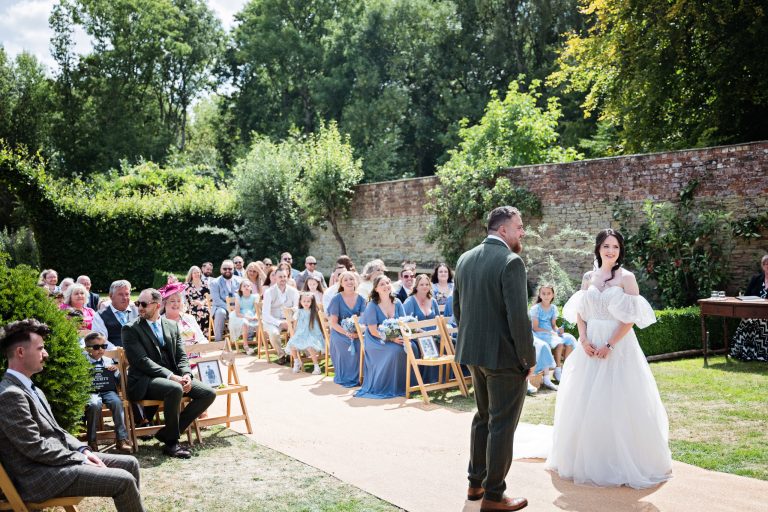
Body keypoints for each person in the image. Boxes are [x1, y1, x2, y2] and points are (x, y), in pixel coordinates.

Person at [545, 229, 672, 489]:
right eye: (606, 246)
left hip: (618, 346)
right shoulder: (588, 277)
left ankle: (618, 459)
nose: (610, 251)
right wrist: (582, 338)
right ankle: (586, 456)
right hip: (589, 344)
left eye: (615, 246)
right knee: (584, 399)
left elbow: (631, 318)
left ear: (620, 250)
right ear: (598, 248)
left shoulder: (627, 278)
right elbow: (581, 311)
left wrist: (610, 345)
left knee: (617, 400)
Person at [0, 319, 145, 511]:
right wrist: (81, 459)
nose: (46, 354)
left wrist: (83, 450)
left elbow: (57, 431)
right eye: (40, 348)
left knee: (130, 463)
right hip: (37, 478)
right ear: (20, 352)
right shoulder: (10, 394)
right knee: (123, 480)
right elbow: (34, 448)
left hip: (53, 465)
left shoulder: (30, 388)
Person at [453, 206, 535, 511]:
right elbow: (519, 319)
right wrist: (527, 359)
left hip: (474, 354)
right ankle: (494, 495)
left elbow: (458, 311)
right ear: (503, 230)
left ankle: (475, 486)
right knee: (501, 425)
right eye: (519, 226)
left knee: (483, 418)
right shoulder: (511, 262)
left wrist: (472, 346)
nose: (522, 232)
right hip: (503, 360)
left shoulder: (464, 259)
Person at [122, 289, 216, 459]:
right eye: (138, 304)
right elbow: (142, 361)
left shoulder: (172, 326)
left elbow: (181, 356)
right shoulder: (130, 329)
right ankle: (172, 443)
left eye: (143, 304)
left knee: (208, 393)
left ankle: (167, 432)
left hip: (174, 378)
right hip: (144, 380)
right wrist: (172, 377)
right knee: (174, 388)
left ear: (157, 305)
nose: (139, 308)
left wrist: (186, 374)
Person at [355, 275, 417, 399]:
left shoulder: (397, 302)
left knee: (413, 347)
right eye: (382, 284)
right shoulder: (372, 305)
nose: (386, 286)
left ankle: (408, 385)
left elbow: (404, 323)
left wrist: (402, 337)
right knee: (394, 351)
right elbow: (373, 331)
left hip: (396, 336)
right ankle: (390, 386)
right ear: (376, 289)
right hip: (376, 340)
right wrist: (392, 339)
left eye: (388, 282)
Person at [83, 332, 132, 454]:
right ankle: (92, 441)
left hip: (108, 391)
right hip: (91, 391)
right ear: (87, 348)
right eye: (96, 347)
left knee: (117, 402)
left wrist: (116, 372)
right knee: (94, 404)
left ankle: (121, 439)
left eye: (103, 346)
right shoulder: (82, 361)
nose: (100, 350)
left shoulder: (108, 360)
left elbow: (118, 381)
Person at [327, 271, 366, 387]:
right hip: (340, 332)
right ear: (341, 283)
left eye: (351, 279)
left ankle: (361, 376)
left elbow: (363, 320)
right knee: (344, 344)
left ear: (356, 281)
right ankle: (346, 376)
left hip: (357, 331)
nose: (349, 282)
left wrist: (357, 332)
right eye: (346, 280)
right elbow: (333, 323)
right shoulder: (336, 299)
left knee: (362, 343)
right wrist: (347, 333)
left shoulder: (362, 299)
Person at [530, 284, 576, 383]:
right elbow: (536, 328)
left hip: (550, 333)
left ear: (552, 295)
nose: (546, 296)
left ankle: (563, 369)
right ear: (540, 295)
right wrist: (551, 332)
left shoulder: (553, 308)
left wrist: (558, 330)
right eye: (544, 293)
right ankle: (557, 370)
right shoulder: (536, 309)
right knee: (559, 343)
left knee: (569, 339)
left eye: (549, 293)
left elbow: (553, 325)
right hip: (539, 333)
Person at [403, 274, 441, 383]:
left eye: (427, 284)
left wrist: (436, 332)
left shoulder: (433, 301)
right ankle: (425, 380)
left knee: (448, 342)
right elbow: (407, 324)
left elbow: (438, 319)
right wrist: (424, 333)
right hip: (417, 336)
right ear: (416, 286)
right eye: (421, 284)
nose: (425, 287)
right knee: (427, 343)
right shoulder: (410, 302)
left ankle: (442, 379)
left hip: (434, 334)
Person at [730, 254, 768, 361]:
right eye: (766, 264)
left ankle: (760, 352)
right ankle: (746, 352)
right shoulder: (756, 279)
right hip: (754, 312)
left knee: (762, 323)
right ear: (763, 266)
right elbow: (746, 295)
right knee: (746, 320)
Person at [261, 268, 300, 365]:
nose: (283, 279)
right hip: (272, 321)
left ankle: (292, 352)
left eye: (284, 276)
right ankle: (281, 355)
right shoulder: (269, 292)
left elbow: (297, 309)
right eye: (280, 277)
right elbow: (265, 314)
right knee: (274, 333)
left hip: (290, 320)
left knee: (299, 329)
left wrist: (291, 321)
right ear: (275, 278)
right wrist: (279, 323)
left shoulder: (294, 291)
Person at [286, 292, 325, 375]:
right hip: (301, 334)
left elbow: (317, 325)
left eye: (308, 301)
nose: (306, 303)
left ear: (312, 302)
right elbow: (295, 324)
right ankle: (297, 362)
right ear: (300, 302)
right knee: (292, 346)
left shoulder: (314, 312)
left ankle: (316, 366)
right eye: (304, 301)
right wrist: (293, 333)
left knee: (310, 347)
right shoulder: (299, 312)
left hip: (312, 334)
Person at [92, 280, 138, 348]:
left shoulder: (137, 310)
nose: (125, 298)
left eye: (127, 294)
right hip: (114, 356)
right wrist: (118, 351)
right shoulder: (100, 315)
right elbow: (100, 340)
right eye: (120, 294)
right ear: (111, 296)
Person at [160, 282, 207, 347]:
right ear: (165, 303)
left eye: (179, 301)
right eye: (172, 301)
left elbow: (201, 339)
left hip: (195, 355)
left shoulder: (189, 318)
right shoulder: (159, 322)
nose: (176, 304)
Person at [209, 260, 242, 342]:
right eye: (225, 269)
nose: (227, 270)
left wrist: (237, 308)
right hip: (221, 307)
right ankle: (218, 340)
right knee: (220, 312)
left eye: (230, 269)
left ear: (233, 269)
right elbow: (217, 301)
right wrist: (230, 309)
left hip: (238, 307)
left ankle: (248, 338)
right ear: (221, 270)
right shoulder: (214, 282)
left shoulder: (240, 281)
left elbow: (244, 296)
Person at [229, 280, 259, 355]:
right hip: (241, 316)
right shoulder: (239, 297)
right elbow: (237, 313)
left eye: (248, 286)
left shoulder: (254, 297)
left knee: (259, 323)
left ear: (251, 288)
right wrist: (247, 317)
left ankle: (260, 344)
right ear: (241, 289)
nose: (246, 287)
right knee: (244, 323)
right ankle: (245, 345)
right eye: (244, 286)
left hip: (252, 314)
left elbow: (257, 310)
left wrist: (255, 316)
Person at [184, 265, 211, 334]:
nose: (197, 274)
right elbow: (188, 299)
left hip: (205, 304)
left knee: (208, 311)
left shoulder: (205, 283)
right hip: (192, 306)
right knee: (200, 312)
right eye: (194, 273)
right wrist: (198, 303)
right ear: (191, 274)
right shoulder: (187, 285)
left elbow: (209, 296)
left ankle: (207, 333)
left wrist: (202, 303)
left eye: (198, 272)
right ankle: (199, 334)